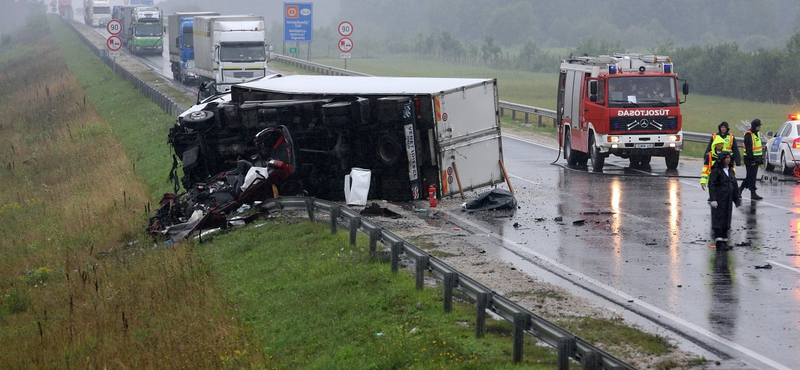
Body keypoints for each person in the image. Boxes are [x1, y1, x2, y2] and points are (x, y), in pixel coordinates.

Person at [708, 151, 742, 250]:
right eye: (726, 157)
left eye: (729, 157)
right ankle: (719, 242)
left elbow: (734, 185)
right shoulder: (716, 170)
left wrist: (736, 199)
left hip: (728, 199)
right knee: (719, 219)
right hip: (719, 199)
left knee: (727, 220)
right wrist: (713, 199)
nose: (728, 159)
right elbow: (712, 184)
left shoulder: (730, 170)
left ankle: (724, 241)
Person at [740, 119, 764, 200]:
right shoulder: (748, 135)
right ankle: (749, 192)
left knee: (751, 177)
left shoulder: (757, 133)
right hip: (750, 159)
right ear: (754, 126)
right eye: (758, 126)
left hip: (756, 158)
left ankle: (744, 191)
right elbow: (749, 149)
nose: (759, 127)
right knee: (751, 177)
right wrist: (752, 160)